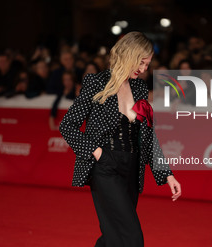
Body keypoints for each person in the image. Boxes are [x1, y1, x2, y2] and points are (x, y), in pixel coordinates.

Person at [59, 31, 181, 247]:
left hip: (132, 169)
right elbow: (67, 125)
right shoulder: (96, 83)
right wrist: (97, 153)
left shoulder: (140, 88)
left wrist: (167, 174)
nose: (144, 69)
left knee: (112, 237)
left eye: (148, 64)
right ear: (128, 55)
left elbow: (148, 136)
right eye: (141, 62)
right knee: (131, 237)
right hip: (106, 167)